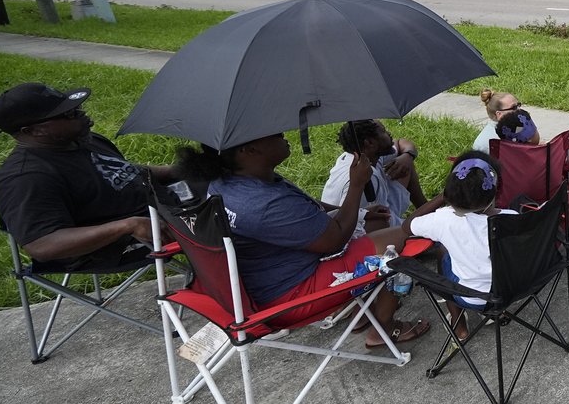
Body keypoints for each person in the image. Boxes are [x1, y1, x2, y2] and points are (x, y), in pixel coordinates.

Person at [174, 134, 426, 345]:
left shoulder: (233, 181)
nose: (282, 132)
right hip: (289, 296)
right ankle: (383, 328)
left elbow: (308, 209)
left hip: (263, 280)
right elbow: (335, 240)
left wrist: (359, 212)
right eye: (272, 133)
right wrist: (357, 185)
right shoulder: (263, 204)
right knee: (403, 238)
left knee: (374, 224)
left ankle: (361, 313)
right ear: (248, 149)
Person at [0, 83, 174, 269]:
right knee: (204, 225)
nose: (82, 114)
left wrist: (180, 170)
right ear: (33, 131)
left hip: (158, 208)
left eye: (77, 108)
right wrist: (127, 226)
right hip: (113, 246)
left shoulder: (84, 141)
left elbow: (120, 171)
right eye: (70, 114)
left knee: (203, 187)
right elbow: (43, 245)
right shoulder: (24, 178)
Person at [407, 151, 513, 343]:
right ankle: (495, 314)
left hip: (472, 297)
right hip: (513, 290)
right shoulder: (511, 216)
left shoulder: (443, 219)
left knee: (442, 251)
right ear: (495, 191)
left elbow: (408, 226)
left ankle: (458, 323)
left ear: (450, 191)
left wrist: (441, 197)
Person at [322, 120, 432, 231]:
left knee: (404, 164)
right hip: (367, 228)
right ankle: (429, 216)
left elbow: (400, 142)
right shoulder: (364, 178)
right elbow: (354, 224)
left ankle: (427, 211)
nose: (389, 133)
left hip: (380, 209)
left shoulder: (363, 155)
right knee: (424, 230)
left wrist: (408, 156)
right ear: (369, 143)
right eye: (383, 131)